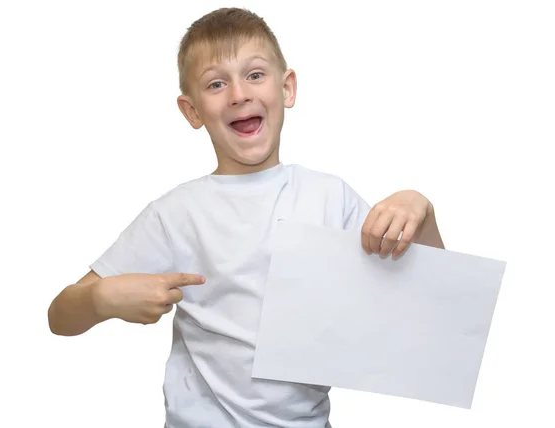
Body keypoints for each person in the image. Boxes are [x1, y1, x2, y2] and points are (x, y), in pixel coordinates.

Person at [48, 7, 445, 428]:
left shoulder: (330, 198)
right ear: (192, 111)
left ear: (287, 87)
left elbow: (427, 311)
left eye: (255, 75)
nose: (239, 94)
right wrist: (101, 298)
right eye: (216, 84)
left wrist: (422, 211)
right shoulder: (176, 214)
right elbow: (59, 317)